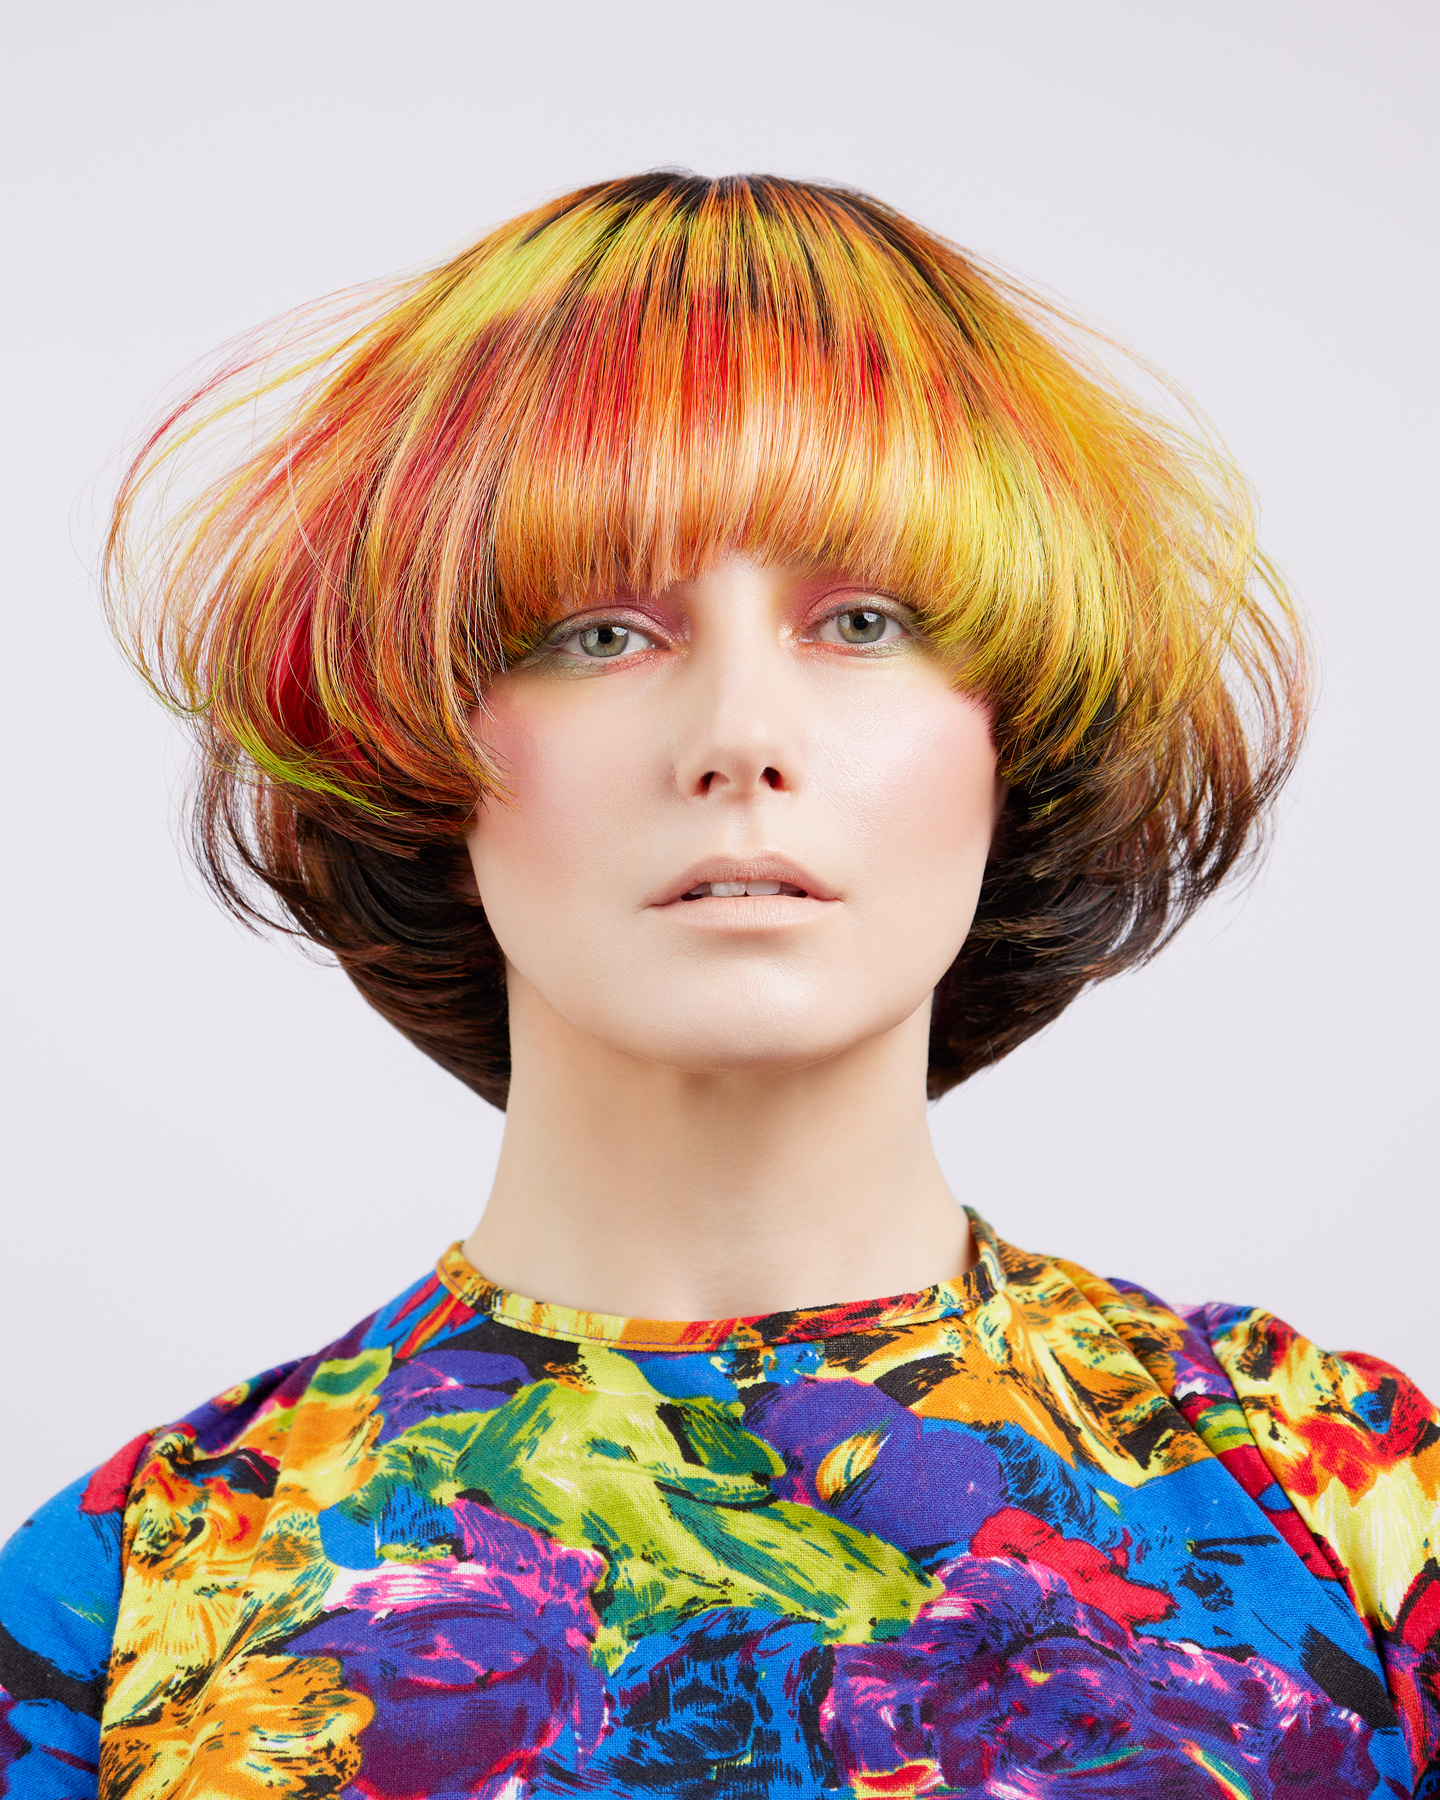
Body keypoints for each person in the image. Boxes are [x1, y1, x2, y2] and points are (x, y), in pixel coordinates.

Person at [2, 171, 1435, 1799]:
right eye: (598, 632)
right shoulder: (125, 1603)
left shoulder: (1357, 1516)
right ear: (412, 736)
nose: (741, 737)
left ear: (1015, 735)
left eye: (866, 621)